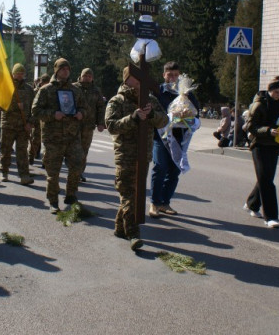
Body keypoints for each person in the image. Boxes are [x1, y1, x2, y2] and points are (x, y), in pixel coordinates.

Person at [105, 65, 168, 250]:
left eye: (141, 78)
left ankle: (120, 228)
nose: (139, 81)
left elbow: (164, 120)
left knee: (133, 193)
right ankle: (133, 234)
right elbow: (111, 126)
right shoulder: (117, 101)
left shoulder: (150, 100)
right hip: (125, 154)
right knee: (129, 195)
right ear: (127, 80)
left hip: (144, 155)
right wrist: (132, 118)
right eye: (135, 77)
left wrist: (151, 114)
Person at [31, 58, 85, 213]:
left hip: (72, 137)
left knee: (77, 165)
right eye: (62, 69)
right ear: (56, 70)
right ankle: (53, 201)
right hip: (53, 138)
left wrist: (81, 113)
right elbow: (35, 110)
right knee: (53, 172)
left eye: (67, 69)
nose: (65, 71)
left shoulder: (75, 90)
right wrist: (53, 114)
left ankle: (71, 195)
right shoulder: (46, 90)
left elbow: (84, 107)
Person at [150, 61, 200, 217]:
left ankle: (165, 202)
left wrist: (187, 114)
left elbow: (196, 111)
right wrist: (170, 116)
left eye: (176, 75)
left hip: (179, 137)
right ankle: (154, 203)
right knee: (160, 167)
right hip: (161, 136)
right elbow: (152, 112)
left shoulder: (186, 92)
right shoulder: (157, 92)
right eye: (170, 75)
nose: (173, 78)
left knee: (174, 171)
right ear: (164, 75)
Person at [243, 76, 279, 228]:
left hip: (274, 145)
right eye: (276, 92)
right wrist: (268, 131)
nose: (278, 95)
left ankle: (252, 204)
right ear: (270, 90)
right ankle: (271, 217)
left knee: (266, 178)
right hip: (260, 145)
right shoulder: (259, 104)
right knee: (267, 181)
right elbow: (251, 126)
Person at [0, 64, 35, 184]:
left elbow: (34, 108)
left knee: (22, 152)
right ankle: (4, 172)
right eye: (17, 73)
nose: (19, 75)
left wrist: (30, 123)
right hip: (8, 124)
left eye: (21, 73)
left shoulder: (29, 89)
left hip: (23, 126)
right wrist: (15, 106)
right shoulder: (6, 87)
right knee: (6, 150)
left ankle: (24, 175)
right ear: (13, 74)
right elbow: (0, 105)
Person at [72, 68, 106, 182]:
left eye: (89, 76)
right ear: (80, 76)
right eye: (85, 76)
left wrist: (101, 123)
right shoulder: (73, 88)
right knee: (73, 150)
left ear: (92, 78)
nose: (87, 78)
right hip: (74, 124)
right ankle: (73, 172)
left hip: (88, 126)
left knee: (84, 150)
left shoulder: (96, 91)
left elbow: (101, 107)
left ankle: (79, 172)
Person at [29, 74, 51, 166]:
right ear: (41, 83)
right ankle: (30, 157)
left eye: (47, 82)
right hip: (37, 120)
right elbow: (31, 107)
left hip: (47, 120)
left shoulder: (51, 91)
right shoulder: (34, 92)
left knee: (46, 142)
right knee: (35, 140)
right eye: (44, 82)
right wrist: (31, 120)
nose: (45, 84)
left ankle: (45, 161)